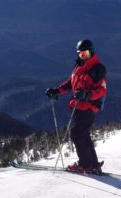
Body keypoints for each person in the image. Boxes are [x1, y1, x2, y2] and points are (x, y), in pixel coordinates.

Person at [46, 39, 107, 174]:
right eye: (80, 54)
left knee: (77, 134)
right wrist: (57, 91)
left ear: (91, 52)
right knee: (83, 134)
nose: (83, 56)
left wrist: (87, 95)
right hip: (79, 106)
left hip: (88, 107)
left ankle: (85, 165)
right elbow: (71, 83)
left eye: (85, 53)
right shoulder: (79, 66)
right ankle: (92, 164)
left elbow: (102, 90)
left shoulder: (98, 69)